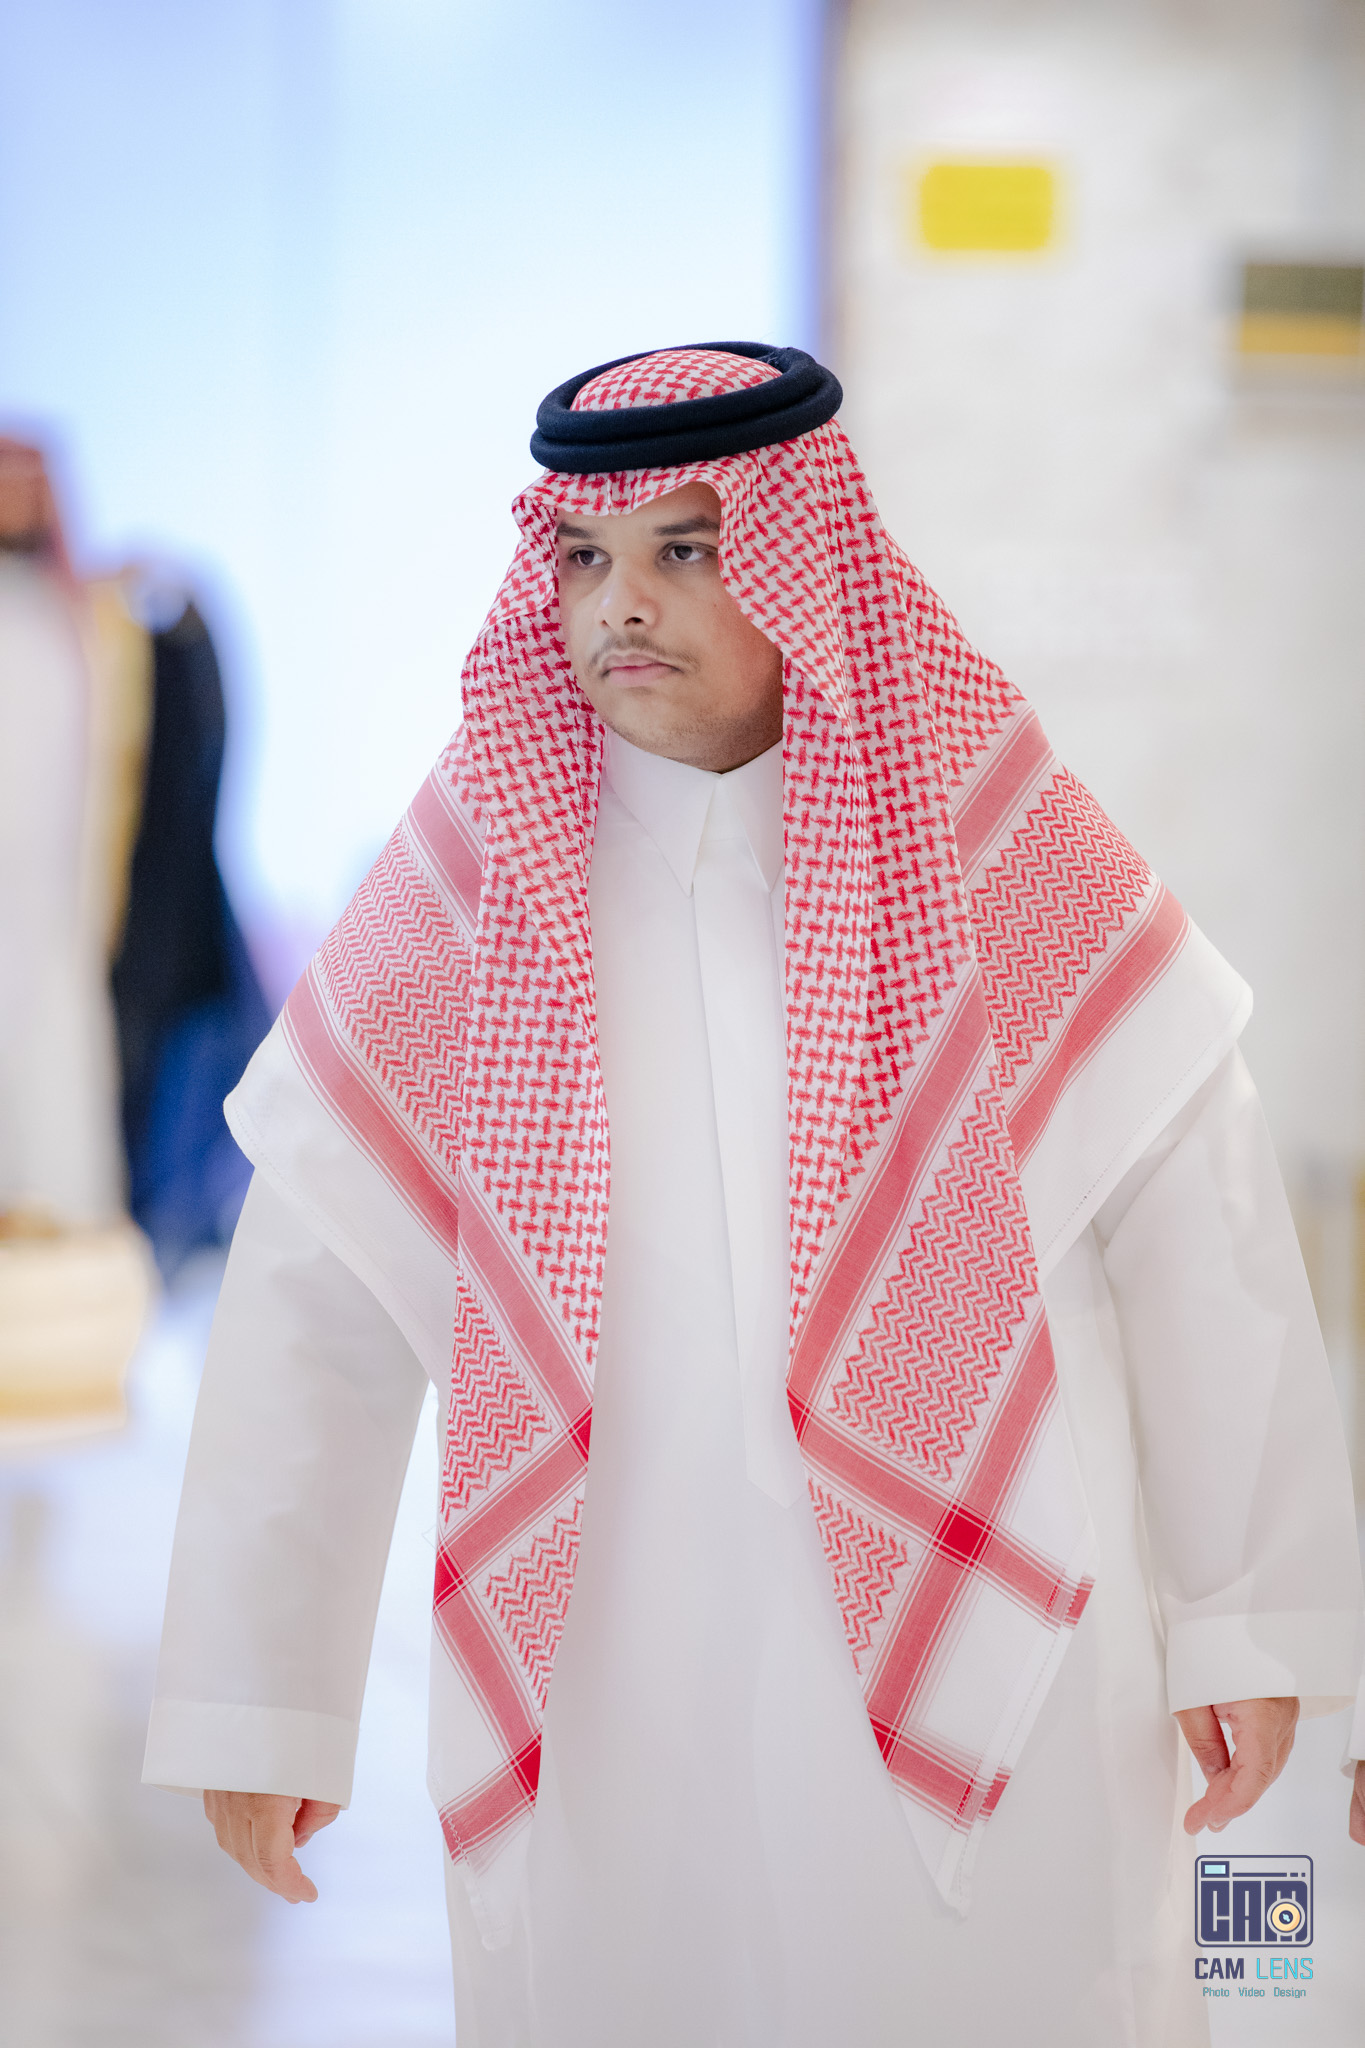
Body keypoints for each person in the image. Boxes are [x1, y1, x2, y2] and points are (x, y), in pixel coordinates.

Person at [144, 344, 1362, 2047]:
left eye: (688, 550)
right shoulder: (469, 894)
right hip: (614, 1661)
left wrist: (1254, 1623)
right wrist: (263, 1696)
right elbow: (315, 1304)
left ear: (807, 565)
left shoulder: (1000, 852)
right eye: (584, 558)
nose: (620, 605)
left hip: (1007, 1640)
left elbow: (1199, 1246)